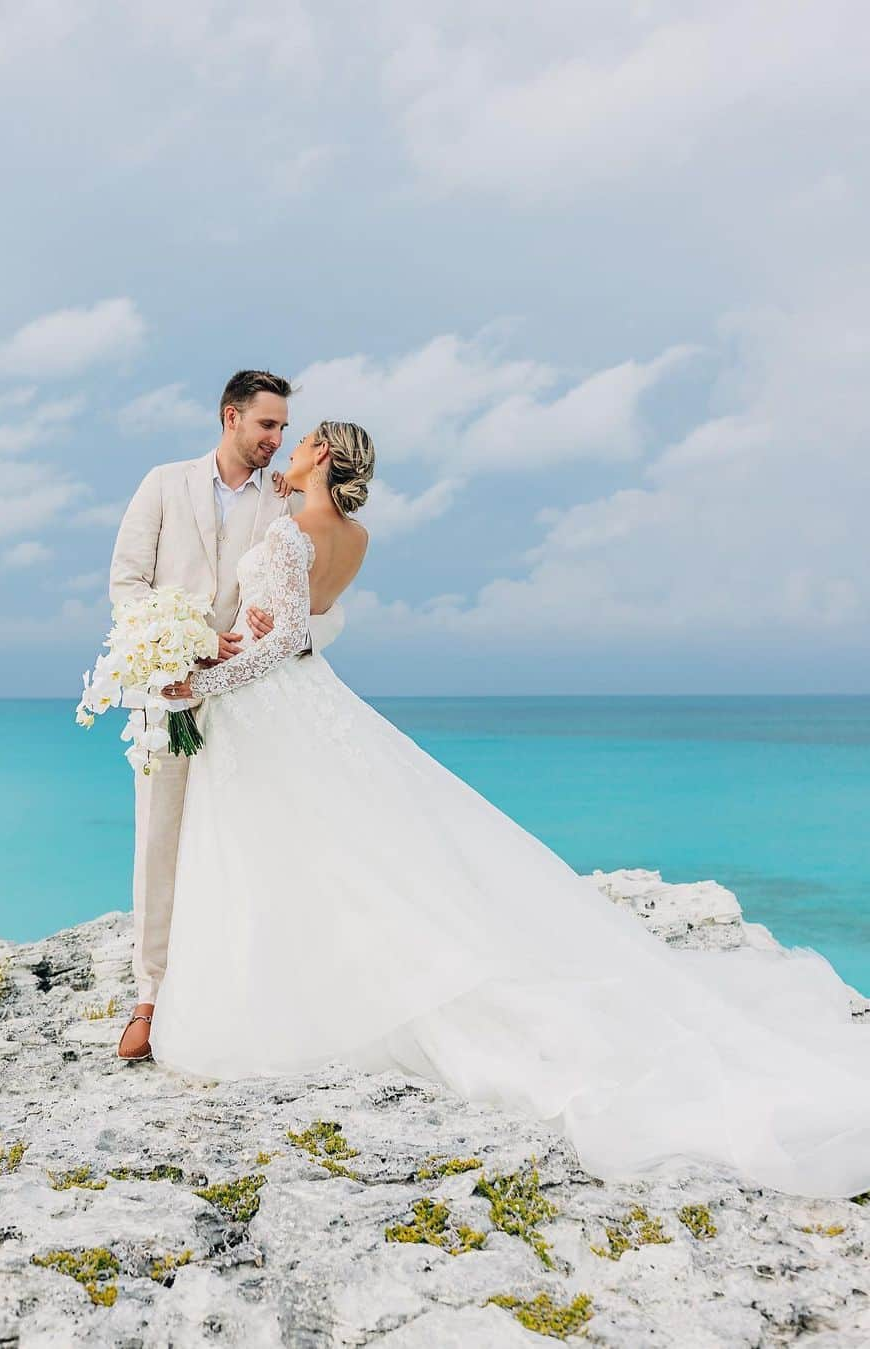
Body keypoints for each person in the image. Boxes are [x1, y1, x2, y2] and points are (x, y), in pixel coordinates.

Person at [150, 418, 870, 1200]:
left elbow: (287, 636)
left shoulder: (292, 532)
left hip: (277, 709)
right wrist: (233, 643)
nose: (288, 452)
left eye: (300, 443)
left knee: (300, 855)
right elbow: (309, 630)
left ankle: (293, 995)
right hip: (312, 701)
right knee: (338, 852)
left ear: (322, 455)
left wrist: (200, 681)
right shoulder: (356, 538)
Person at [108, 370, 345, 1061]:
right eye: (267, 425)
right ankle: (150, 994)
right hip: (170, 692)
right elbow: (126, 583)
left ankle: (230, 993)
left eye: (282, 429)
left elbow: (327, 606)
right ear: (230, 417)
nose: (276, 439)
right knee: (158, 840)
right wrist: (186, 645)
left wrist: (293, 632)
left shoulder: (286, 504)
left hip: (248, 706)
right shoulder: (163, 483)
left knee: (240, 844)